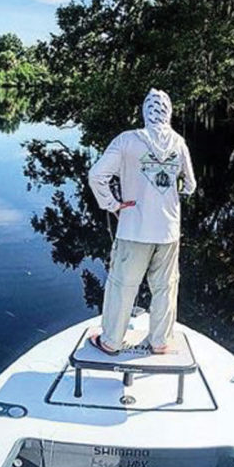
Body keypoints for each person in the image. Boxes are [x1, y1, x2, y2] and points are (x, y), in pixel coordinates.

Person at [86, 88, 196, 355]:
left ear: (145, 111)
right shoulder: (179, 143)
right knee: (165, 288)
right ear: (168, 112)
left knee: (123, 286)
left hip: (134, 228)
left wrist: (113, 205)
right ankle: (160, 342)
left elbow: (96, 176)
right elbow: (191, 185)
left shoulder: (126, 141)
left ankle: (111, 341)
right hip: (168, 230)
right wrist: (171, 193)